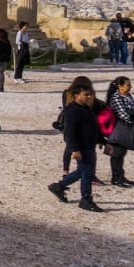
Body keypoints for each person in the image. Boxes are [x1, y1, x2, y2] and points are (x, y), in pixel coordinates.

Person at [49, 78, 105, 212]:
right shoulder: (73, 111)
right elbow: (70, 132)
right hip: (82, 147)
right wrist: (74, 149)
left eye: (89, 94)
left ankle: (59, 186)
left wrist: (104, 141)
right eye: (86, 95)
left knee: (83, 171)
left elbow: (93, 127)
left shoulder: (85, 108)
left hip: (89, 145)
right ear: (76, 95)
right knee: (87, 173)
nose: (89, 97)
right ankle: (85, 200)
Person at [104, 76, 134, 188]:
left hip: (126, 128)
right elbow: (123, 114)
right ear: (120, 86)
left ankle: (120, 175)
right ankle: (116, 177)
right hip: (118, 128)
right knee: (117, 153)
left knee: (122, 152)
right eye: (128, 85)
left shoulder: (127, 96)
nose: (130, 87)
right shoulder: (116, 98)